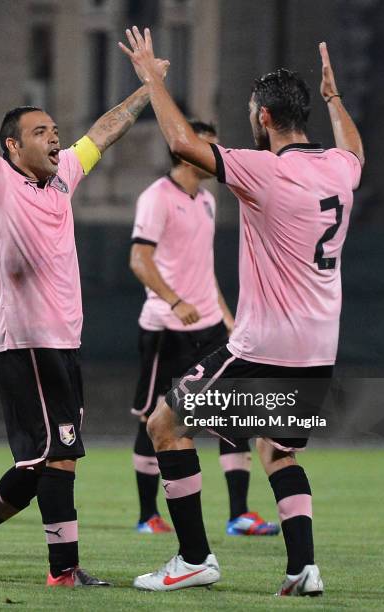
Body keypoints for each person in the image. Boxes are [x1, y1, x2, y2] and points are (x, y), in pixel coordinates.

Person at [120, 27, 363, 595]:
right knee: (278, 450)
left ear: (263, 120)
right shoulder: (338, 169)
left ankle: (194, 558)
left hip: (263, 345)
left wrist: (153, 79)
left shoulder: (265, 170)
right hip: (319, 346)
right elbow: (355, 151)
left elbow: (182, 144)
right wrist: (335, 99)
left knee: (164, 425)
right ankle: (303, 570)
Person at [0, 39, 168, 587]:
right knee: (56, 456)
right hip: (25, 341)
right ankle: (61, 571)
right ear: (12, 146)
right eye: (40, 131)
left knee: (46, 461)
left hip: (63, 340)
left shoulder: (64, 173)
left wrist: (149, 86)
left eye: (54, 128)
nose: (55, 136)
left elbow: (107, 130)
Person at [129, 120, 279, 537]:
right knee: (153, 416)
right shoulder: (156, 197)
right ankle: (147, 516)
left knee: (235, 414)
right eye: (205, 146)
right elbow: (139, 260)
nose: (213, 154)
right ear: (182, 152)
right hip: (165, 327)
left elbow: (204, 269)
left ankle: (239, 515)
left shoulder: (208, 200)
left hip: (209, 328)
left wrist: (229, 319)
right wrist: (175, 302)